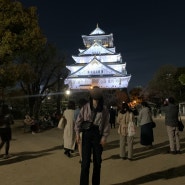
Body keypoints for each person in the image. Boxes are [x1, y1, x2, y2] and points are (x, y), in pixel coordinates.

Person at [75, 87, 110, 185]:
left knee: (97, 163)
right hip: (87, 134)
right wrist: (77, 134)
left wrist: (104, 137)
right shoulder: (86, 107)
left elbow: (106, 124)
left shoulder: (104, 109)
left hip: (97, 134)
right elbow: (78, 121)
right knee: (85, 163)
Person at [74, 98, 88, 163]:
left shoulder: (77, 111)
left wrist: (77, 134)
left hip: (81, 131)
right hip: (89, 130)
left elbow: (76, 122)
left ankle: (82, 159)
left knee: (80, 145)